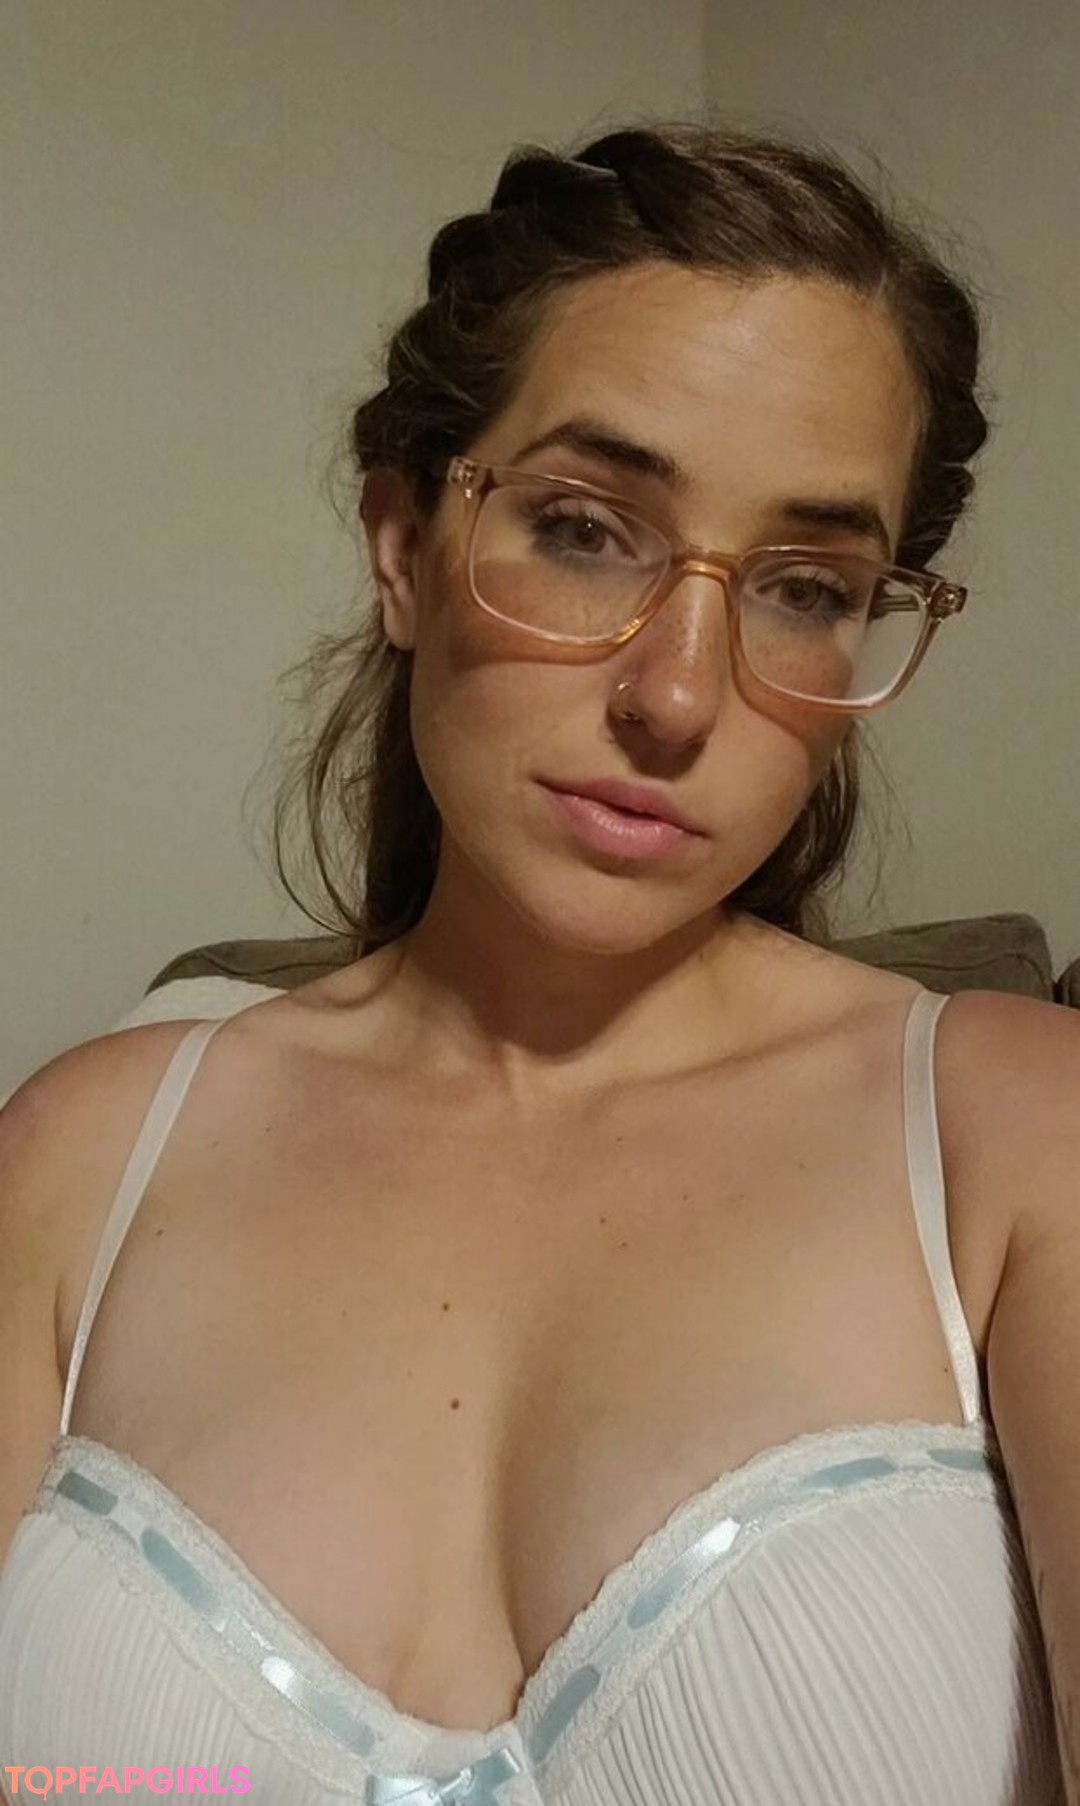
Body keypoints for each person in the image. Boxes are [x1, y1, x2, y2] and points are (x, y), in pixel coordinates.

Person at [0, 119, 1077, 1806]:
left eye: (806, 586)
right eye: (585, 528)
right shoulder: (80, 1162)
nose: (678, 695)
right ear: (401, 544)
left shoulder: (1019, 1142)